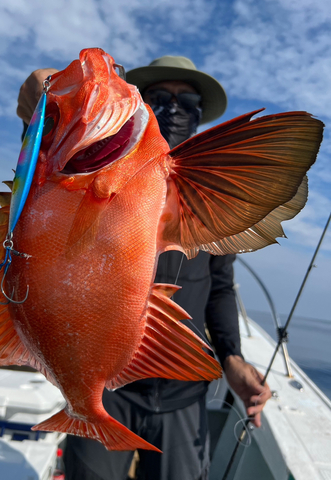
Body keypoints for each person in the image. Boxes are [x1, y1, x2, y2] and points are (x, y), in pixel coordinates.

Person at [17, 55, 272, 480]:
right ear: (142, 103)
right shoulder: (95, 163)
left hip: (182, 389)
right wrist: (43, 110)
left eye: (187, 100)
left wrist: (232, 358)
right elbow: (46, 192)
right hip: (105, 385)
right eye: (159, 97)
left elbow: (221, 286)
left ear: (198, 114)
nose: (174, 108)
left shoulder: (212, 196)